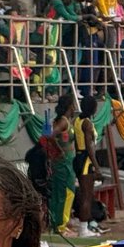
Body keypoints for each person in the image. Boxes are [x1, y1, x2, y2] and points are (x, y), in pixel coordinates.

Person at [72, 94, 105, 235]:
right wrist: (97, 167)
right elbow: (90, 146)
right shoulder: (87, 124)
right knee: (87, 196)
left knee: (86, 195)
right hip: (86, 159)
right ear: (92, 108)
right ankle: (83, 229)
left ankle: (84, 226)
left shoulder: (77, 121)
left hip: (78, 157)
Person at [46, 94, 78, 235]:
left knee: (60, 192)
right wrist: (59, 150)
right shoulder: (63, 122)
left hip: (65, 162)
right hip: (63, 162)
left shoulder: (65, 120)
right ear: (70, 106)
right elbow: (50, 135)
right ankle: (60, 225)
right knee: (66, 192)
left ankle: (57, 223)